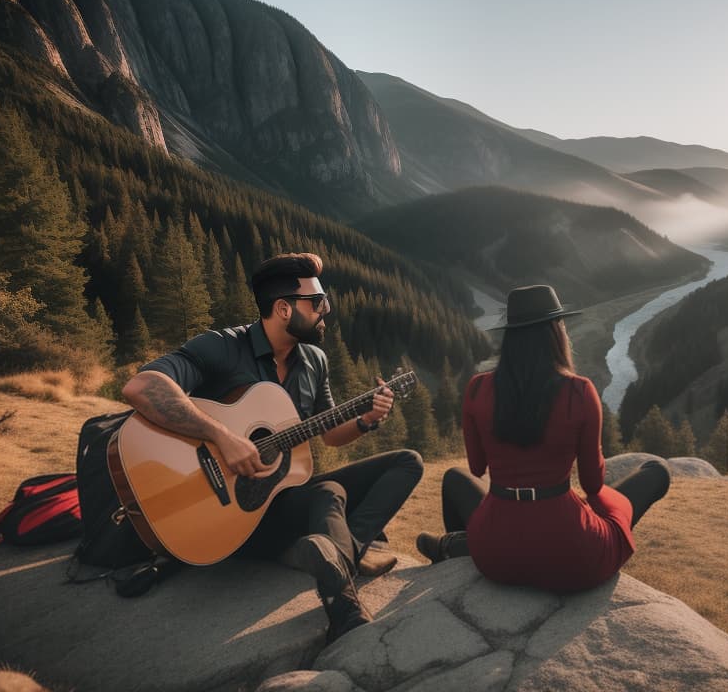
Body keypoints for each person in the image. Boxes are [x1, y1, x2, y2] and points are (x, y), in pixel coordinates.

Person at [122, 252, 424, 642]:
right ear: (283, 308)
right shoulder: (223, 347)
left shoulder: (314, 360)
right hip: (229, 512)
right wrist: (223, 437)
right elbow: (142, 387)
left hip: (281, 497)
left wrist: (367, 419)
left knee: (407, 463)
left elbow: (330, 431)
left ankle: (337, 550)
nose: (325, 312)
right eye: (317, 303)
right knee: (330, 493)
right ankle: (344, 609)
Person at [416, 284, 670, 592]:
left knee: (455, 478)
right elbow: (592, 485)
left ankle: (458, 547)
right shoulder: (579, 391)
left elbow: (477, 467)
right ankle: (459, 544)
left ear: (510, 336)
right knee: (656, 473)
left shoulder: (476, 389)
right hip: (571, 556)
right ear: (556, 331)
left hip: (495, 556)